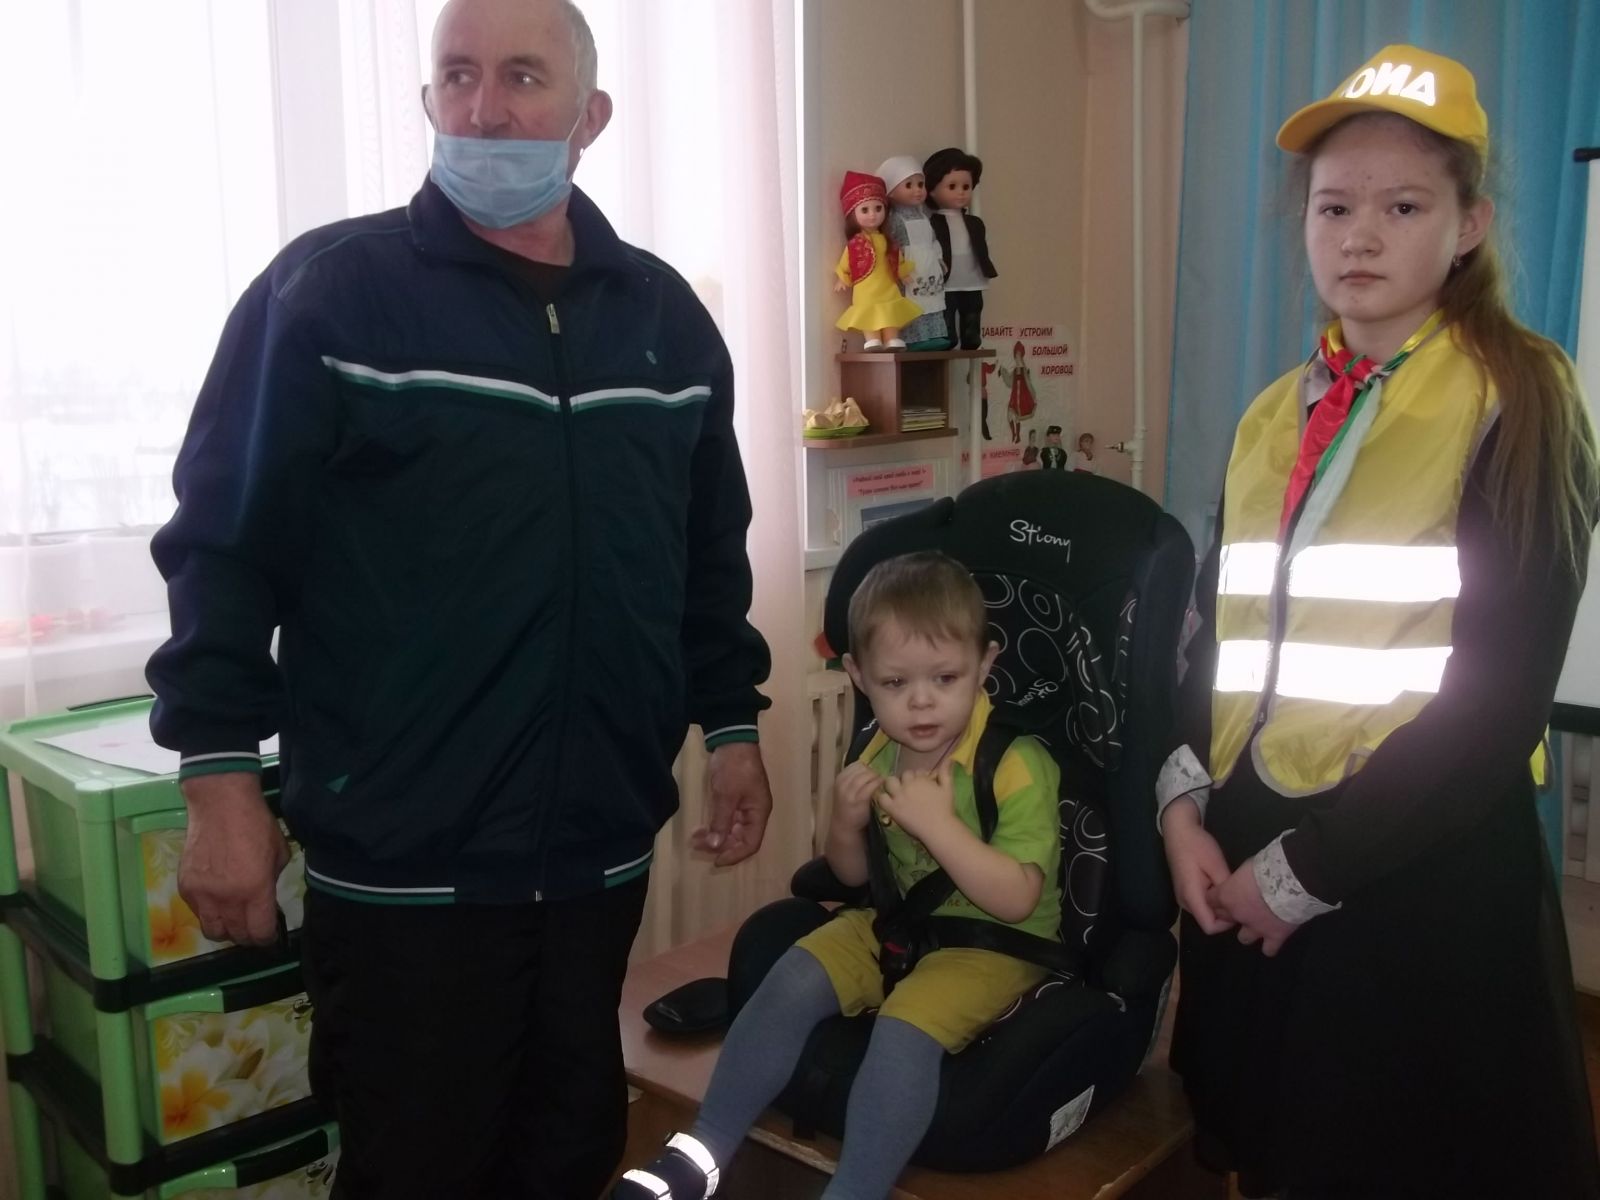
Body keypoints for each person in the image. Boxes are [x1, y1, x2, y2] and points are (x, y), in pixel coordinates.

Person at [144, 1, 776, 1196]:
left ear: (589, 115)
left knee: (567, 1151)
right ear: (429, 99)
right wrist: (219, 783)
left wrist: (731, 723)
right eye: (458, 75)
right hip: (404, 870)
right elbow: (223, 546)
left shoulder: (666, 323)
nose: (485, 108)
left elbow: (704, 554)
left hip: (595, 854)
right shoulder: (330, 296)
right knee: (418, 1169)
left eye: (524, 77)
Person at [1158, 44, 1600, 1199]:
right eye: (1333, 207)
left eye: (1402, 207)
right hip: (1246, 849)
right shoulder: (1273, 412)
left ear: (1467, 226)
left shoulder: (1519, 395)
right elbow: (1213, 632)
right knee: (1270, 1148)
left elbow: (1497, 699)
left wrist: (1306, 870)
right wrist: (1180, 804)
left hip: (1411, 868)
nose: (1359, 236)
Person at [614, 552, 1063, 1200]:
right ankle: (701, 1152)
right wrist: (846, 824)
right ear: (858, 676)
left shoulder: (1016, 763)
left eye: (945, 677)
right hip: (898, 923)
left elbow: (1018, 900)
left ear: (984, 664)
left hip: (992, 943)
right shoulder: (881, 748)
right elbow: (851, 876)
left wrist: (940, 827)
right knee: (790, 978)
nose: (922, 701)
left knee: (903, 1031)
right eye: (895, 682)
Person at [834, 171, 922, 351]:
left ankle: (891, 338)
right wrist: (842, 278)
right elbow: (846, 263)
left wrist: (903, 273)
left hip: (887, 285)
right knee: (868, 311)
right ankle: (872, 339)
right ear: (852, 214)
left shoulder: (887, 240)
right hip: (865, 289)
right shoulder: (855, 243)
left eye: (878, 208)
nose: (873, 215)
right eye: (865, 210)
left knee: (890, 311)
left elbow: (896, 258)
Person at [925, 147, 997, 351]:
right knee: (946, 308)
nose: (961, 192)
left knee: (973, 307)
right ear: (932, 190)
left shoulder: (975, 223)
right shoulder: (933, 223)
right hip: (946, 278)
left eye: (966, 186)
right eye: (952, 186)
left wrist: (986, 265)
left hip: (972, 276)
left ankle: (971, 335)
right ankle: (948, 336)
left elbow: (982, 245)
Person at [876, 155, 952, 351]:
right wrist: (896, 266)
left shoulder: (923, 216)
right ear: (891, 191)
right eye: (909, 185)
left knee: (932, 299)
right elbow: (890, 245)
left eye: (920, 184)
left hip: (928, 265)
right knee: (911, 302)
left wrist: (939, 258)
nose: (917, 190)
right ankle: (913, 338)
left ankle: (934, 334)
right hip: (908, 268)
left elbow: (933, 239)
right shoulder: (893, 218)